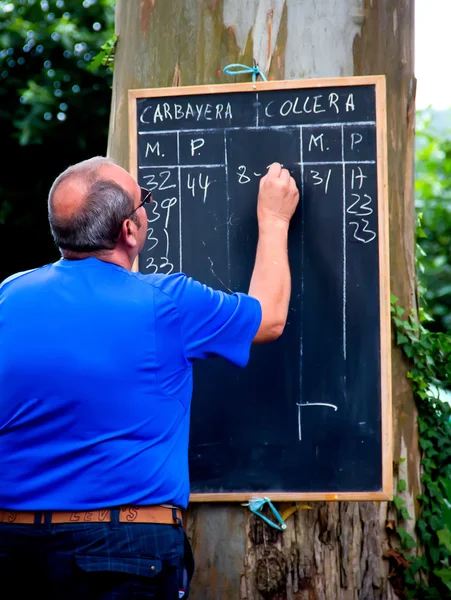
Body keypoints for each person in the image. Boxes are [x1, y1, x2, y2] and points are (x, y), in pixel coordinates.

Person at [0, 156, 299, 599]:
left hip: (13, 548)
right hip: (123, 552)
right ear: (128, 230)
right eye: (145, 202)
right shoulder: (168, 302)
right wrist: (274, 220)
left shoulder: (8, 296)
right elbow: (269, 318)